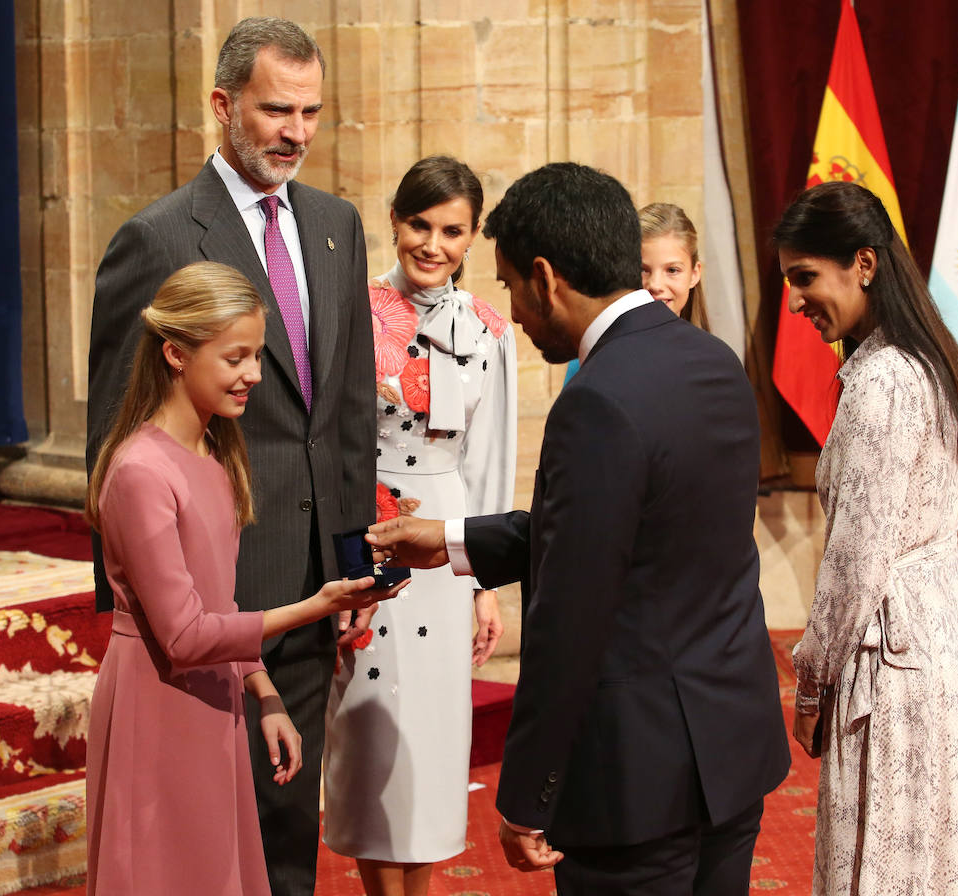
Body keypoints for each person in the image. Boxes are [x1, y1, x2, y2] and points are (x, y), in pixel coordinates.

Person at [366, 163, 789, 896]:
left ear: (545, 276)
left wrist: (529, 792)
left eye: (509, 288)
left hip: (633, 780)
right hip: (730, 749)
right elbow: (641, 533)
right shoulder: (714, 363)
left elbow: (571, 611)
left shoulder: (595, 400)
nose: (518, 316)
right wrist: (454, 539)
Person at [85, 18, 376, 896]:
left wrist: (355, 568)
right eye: (276, 109)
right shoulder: (160, 237)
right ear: (222, 106)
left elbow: (349, 409)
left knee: (286, 831)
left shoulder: (336, 224)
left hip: (312, 584)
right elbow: (117, 427)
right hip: (212, 592)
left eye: (312, 112)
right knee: (195, 833)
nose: (297, 131)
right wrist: (131, 600)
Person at [84, 262, 404, 896]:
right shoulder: (142, 472)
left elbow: (219, 601)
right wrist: (318, 604)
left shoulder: (217, 450)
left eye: (257, 355)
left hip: (215, 697)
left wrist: (265, 696)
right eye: (236, 357)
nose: (254, 374)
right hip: (159, 703)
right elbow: (183, 636)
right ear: (175, 353)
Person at [774, 180, 958, 895]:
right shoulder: (929, 361)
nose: (794, 302)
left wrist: (812, 687)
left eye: (805, 278)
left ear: (865, 264)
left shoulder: (881, 380)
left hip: (897, 673)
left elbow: (854, 564)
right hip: (954, 651)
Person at [322, 156, 517, 896]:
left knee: (433, 742)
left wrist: (486, 583)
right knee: (371, 731)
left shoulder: (490, 331)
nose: (433, 244)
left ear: (471, 237)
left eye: (452, 230)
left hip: (450, 543)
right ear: (395, 220)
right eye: (419, 225)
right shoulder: (351, 311)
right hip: (368, 535)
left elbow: (491, 463)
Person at [562, 200, 708, 382]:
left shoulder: (711, 361)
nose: (655, 284)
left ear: (694, 274)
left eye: (672, 270)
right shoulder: (590, 360)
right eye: (642, 270)